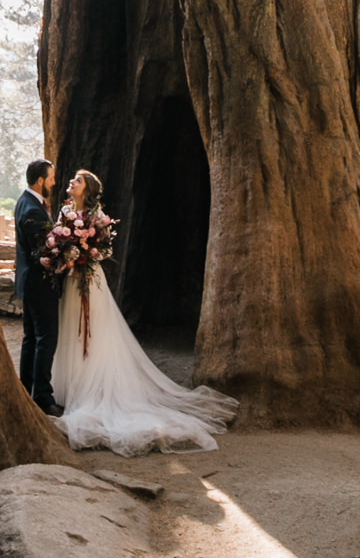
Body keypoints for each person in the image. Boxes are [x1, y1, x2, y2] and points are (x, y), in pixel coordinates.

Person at [49, 169, 238, 456]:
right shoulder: (65, 212)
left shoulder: (96, 217)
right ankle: (63, 389)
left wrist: (86, 254)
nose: (71, 183)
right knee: (69, 328)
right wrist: (66, 256)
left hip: (89, 280)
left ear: (86, 190)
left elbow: (103, 250)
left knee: (94, 331)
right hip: (72, 281)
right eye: (73, 180)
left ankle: (91, 388)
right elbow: (59, 242)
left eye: (78, 181)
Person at [14, 158, 60, 415]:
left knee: (31, 338)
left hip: (28, 281)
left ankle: (25, 390)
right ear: (40, 180)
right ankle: (43, 397)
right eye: (51, 178)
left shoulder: (26, 202)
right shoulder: (31, 208)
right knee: (46, 338)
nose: (54, 182)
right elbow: (41, 250)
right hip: (39, 282)